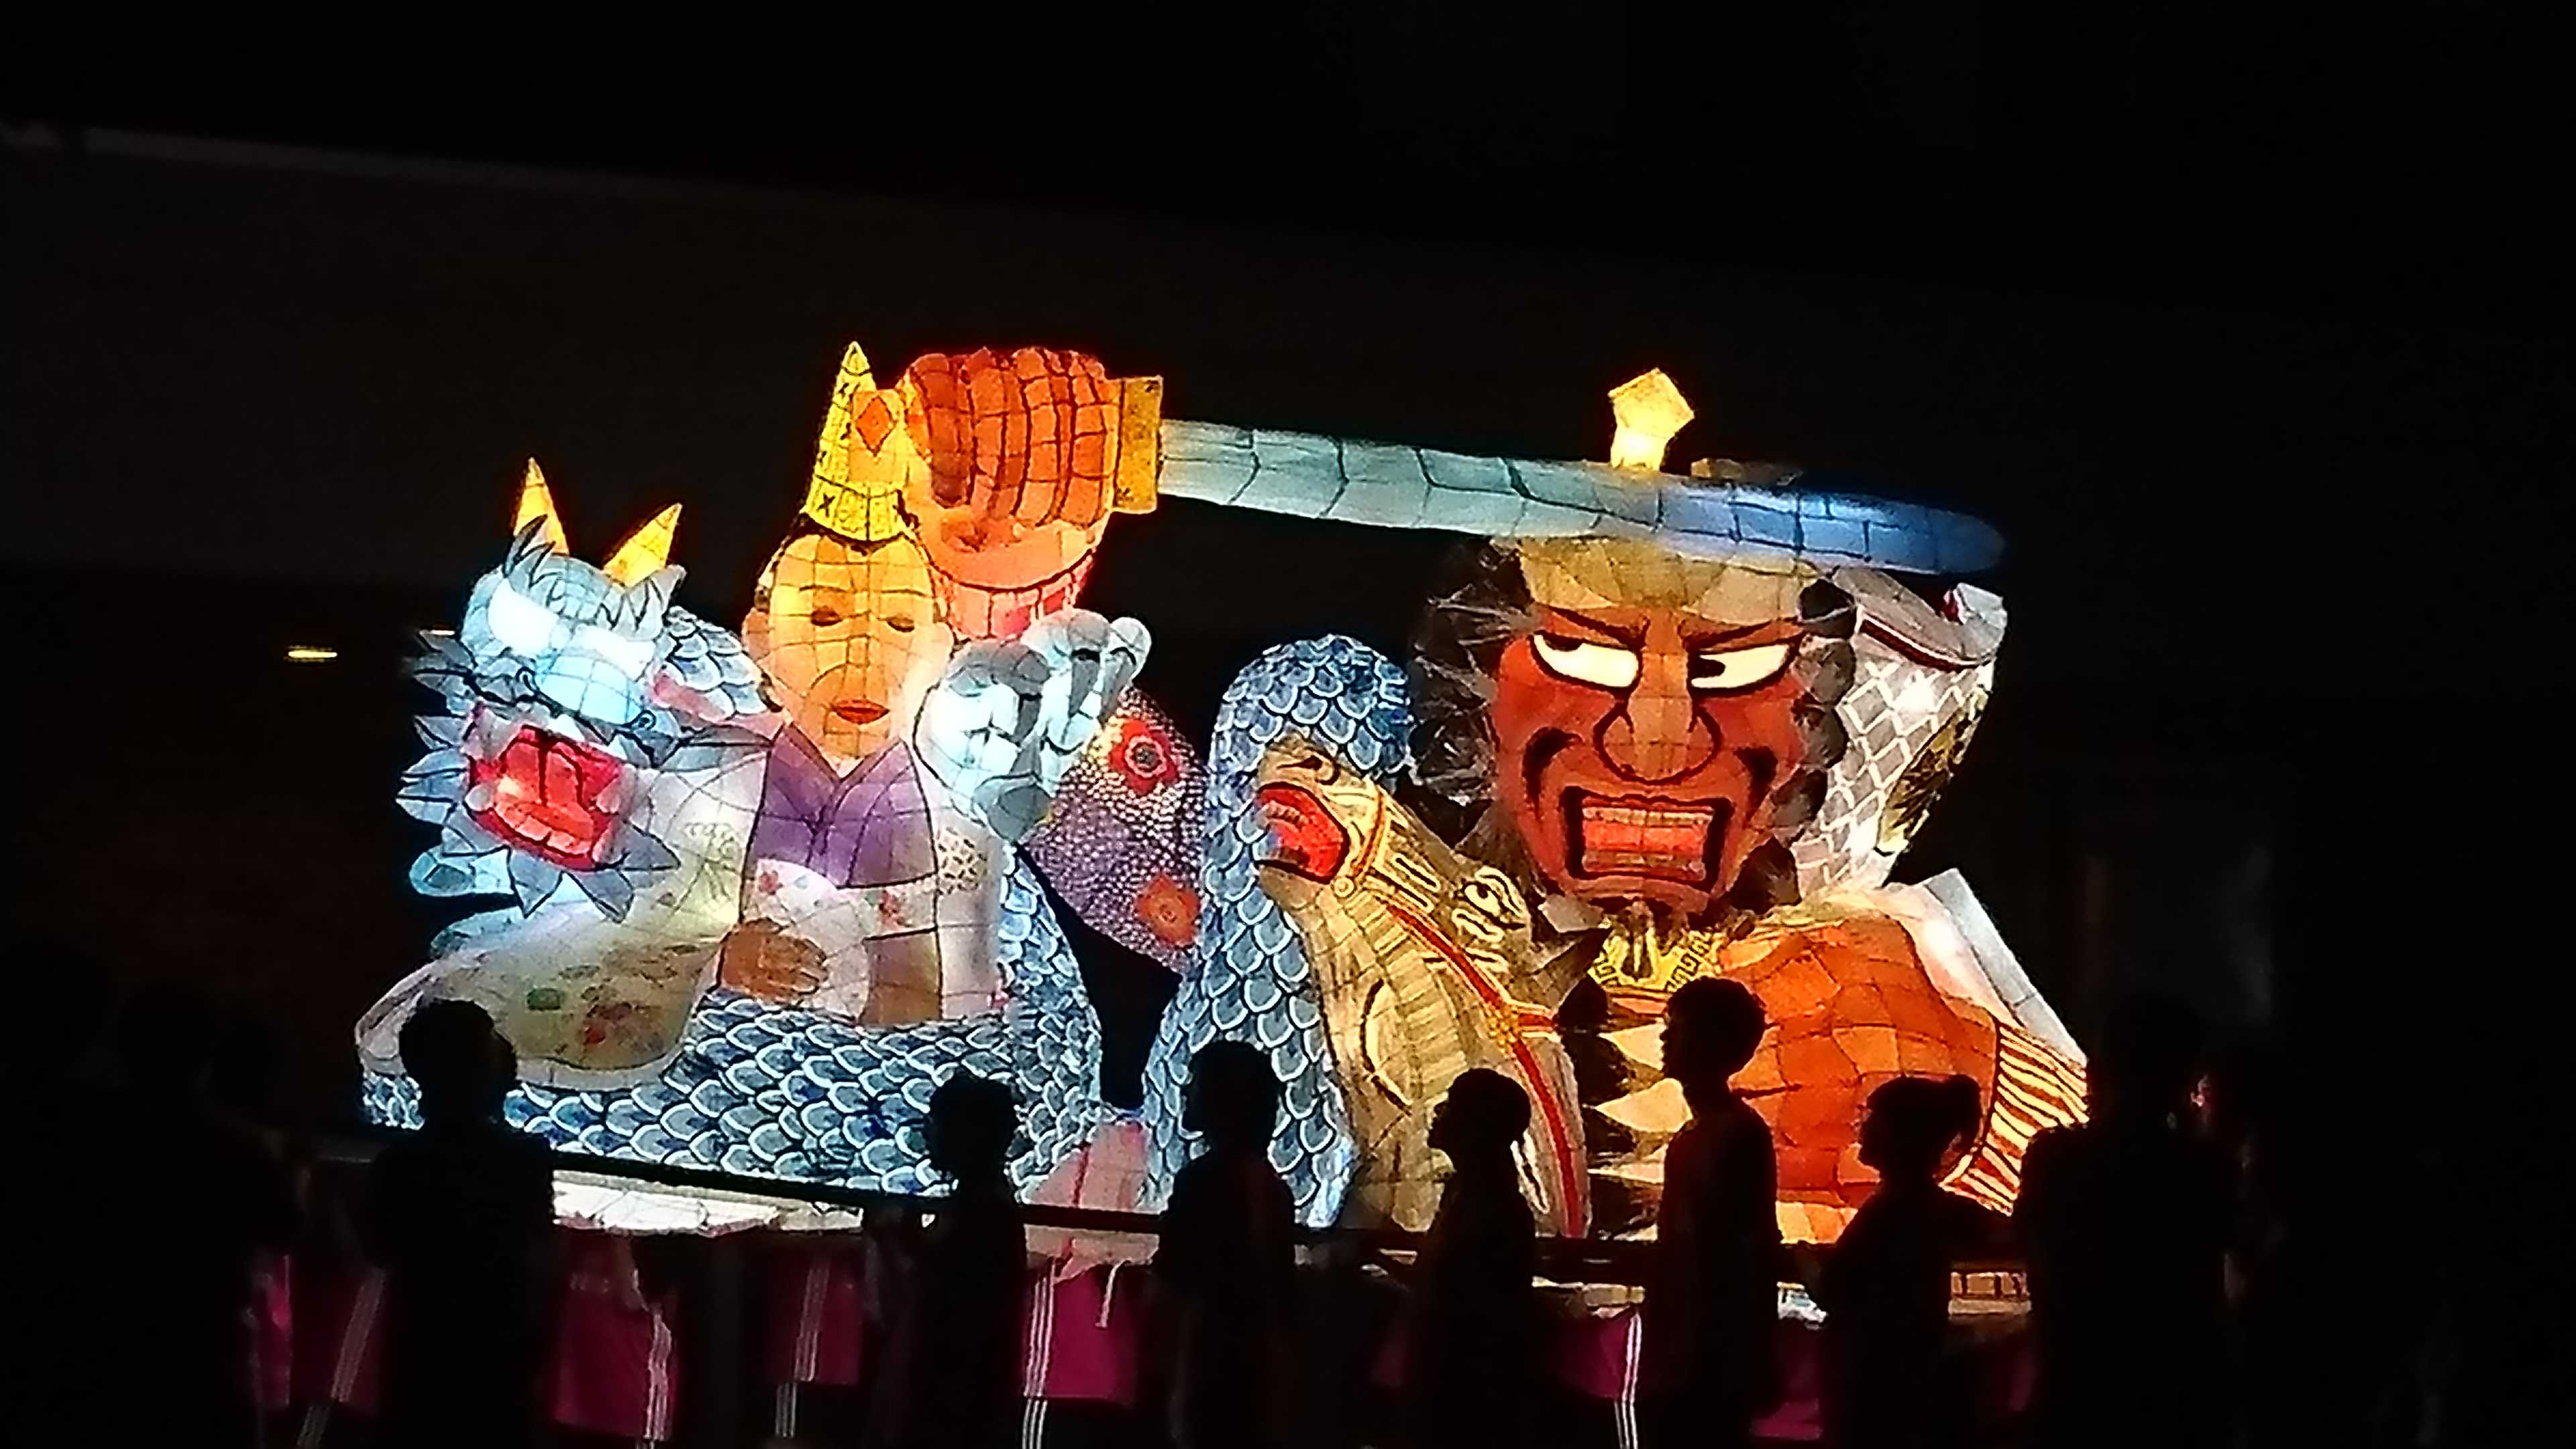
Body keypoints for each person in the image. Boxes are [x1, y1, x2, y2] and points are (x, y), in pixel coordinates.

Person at [2017, 992, 2233, 1448]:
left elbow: (2030, 1243)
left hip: (2077, 1380)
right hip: (2180, 1387)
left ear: (2100, 1070)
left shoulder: (2057, 1158)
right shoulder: (2206, 1167)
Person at [362, 1000, 555, 1449]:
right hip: (498, 1353)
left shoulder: (398, 1164)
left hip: (421, 1348)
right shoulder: (524, 1159)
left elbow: (377, 1245)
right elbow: (537, 1250)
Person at [1641, 977, 1781, 1449]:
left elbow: (1749, 1249)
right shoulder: (1701, 1134)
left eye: (1677, 1028)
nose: (1665, 1038)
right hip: (1689, 1347)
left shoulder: (1734, 1135)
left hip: (1709, 1352)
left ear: (1712, 1042)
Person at [1817, 1074, 1984, 1448]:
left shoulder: (1890, 1211)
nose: (1862, 1128)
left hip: (1873, 1382)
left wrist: (1802, 1260)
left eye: (1872, 1118)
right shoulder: (1936, 1207)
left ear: (1900, 1135)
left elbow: (1833, 1287)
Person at [863, 1073, 1028, 1449]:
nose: (928, 1133)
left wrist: (892, 1238)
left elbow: (931, 1297)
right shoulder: (979, 1206)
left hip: (948, 1403)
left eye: (938, 1122)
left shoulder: (983, 1213)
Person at [1155, 1041, 1299, 1449]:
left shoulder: (1204, 1180)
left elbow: (1178, 1283)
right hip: (1257, 1368)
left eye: (1197, 1083)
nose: (1187, 1091)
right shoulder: (1270, 1184)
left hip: (1208, 1360)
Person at [1409, 1068, 1541, 1449]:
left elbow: (1463, 1302)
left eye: (1452, 1105)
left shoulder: (1493, 1211)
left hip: (1465, 1391)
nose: (1439, 1112)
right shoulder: (1465, 1195)